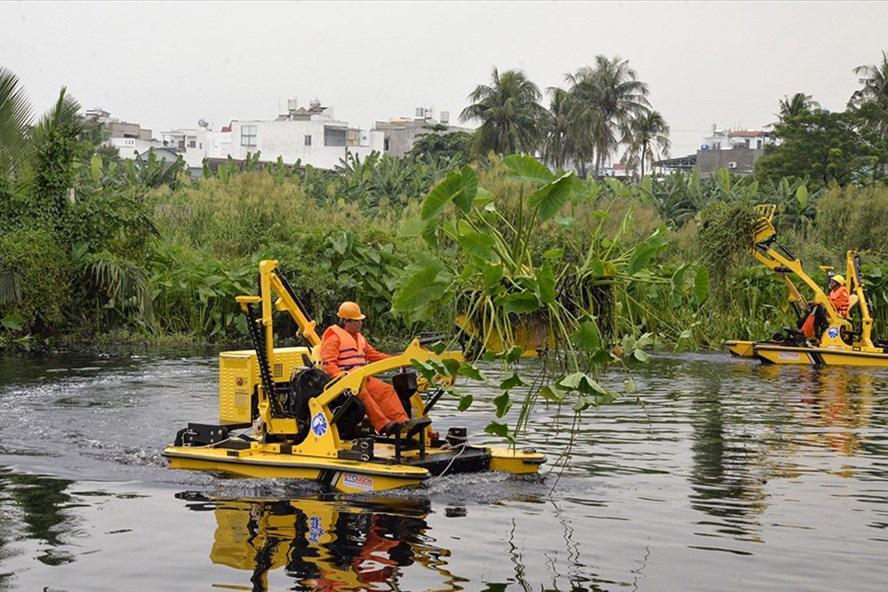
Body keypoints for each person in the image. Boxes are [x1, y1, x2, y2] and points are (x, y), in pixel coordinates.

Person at [319, 301, 409, 435]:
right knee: (364, 395)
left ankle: (403, 422)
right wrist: (343, 377)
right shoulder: (333, 339)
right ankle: (383, 425)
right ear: (346, 321)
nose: (360, 323)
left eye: (360, 320)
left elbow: (375, 355)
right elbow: (328, 364)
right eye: (356, 321)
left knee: (386, 390)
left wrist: (394, 358)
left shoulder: (361, 339)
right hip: (346, 382)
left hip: (362, 378)